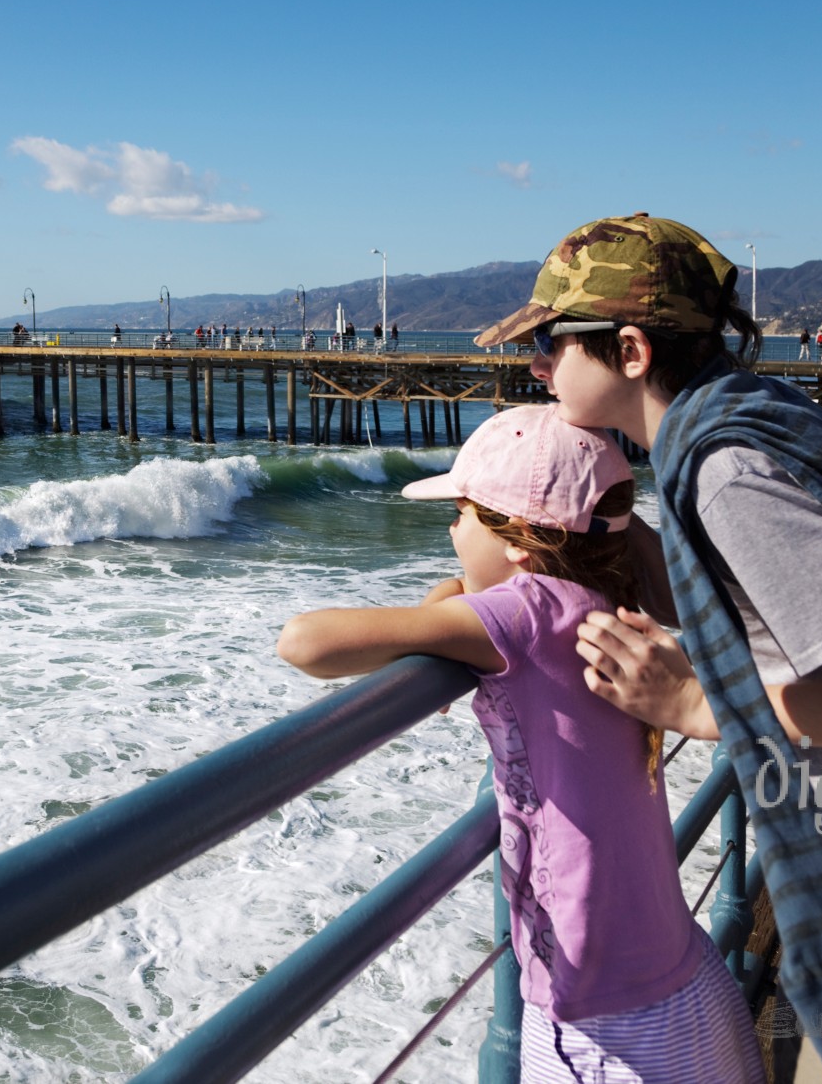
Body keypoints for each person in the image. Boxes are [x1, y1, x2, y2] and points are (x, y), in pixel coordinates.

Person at [473, 214, 822, 1084]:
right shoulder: (742, 423)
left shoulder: (729, 472)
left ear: (630, 351)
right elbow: (752, 594)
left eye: (553, 342)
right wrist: (586, 536)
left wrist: (697, 704)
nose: (537, 364)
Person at [279, 405, 764, 1084]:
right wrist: (453, 598)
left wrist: (439, 610)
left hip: (600, 1027)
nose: (451, 527)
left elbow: (305, 642)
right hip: (687, 984)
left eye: (464, 511)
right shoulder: (603, 596)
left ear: (519, 545)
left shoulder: (523, 613)